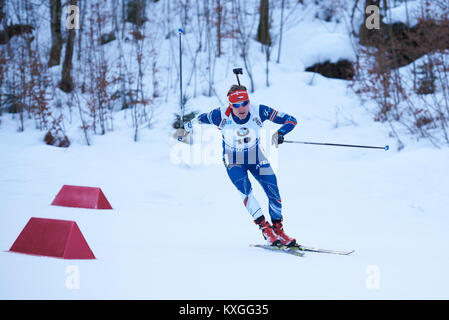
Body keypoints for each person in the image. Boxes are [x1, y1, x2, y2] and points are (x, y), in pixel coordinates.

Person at [182, 84, 298, 247]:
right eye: (236, 105)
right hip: (233, 159)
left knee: (273, 190)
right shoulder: (219, 115)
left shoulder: (259, 110)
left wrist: (281, 132)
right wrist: (184, 129)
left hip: (255, 155)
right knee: (245, 190)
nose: (241, 108)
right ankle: (265, 229)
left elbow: (291, 120)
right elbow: (199, 119)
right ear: (230, 105)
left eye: (244, 103)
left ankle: (278, 230)